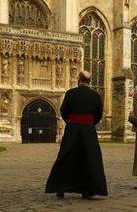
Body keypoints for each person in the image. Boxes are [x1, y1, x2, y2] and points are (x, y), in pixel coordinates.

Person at [45, 70, 108, 200]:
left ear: (79, 79)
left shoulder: (70, 93)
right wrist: (89, 124)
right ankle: (87, 190)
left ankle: (60, 188)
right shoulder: (95, 95)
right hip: (88, 131)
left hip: (73, 129)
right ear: (89, 81)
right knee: (89, 158)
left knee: (66, 156)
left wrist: (72, 122)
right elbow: (98, 114)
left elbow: (63, 111)